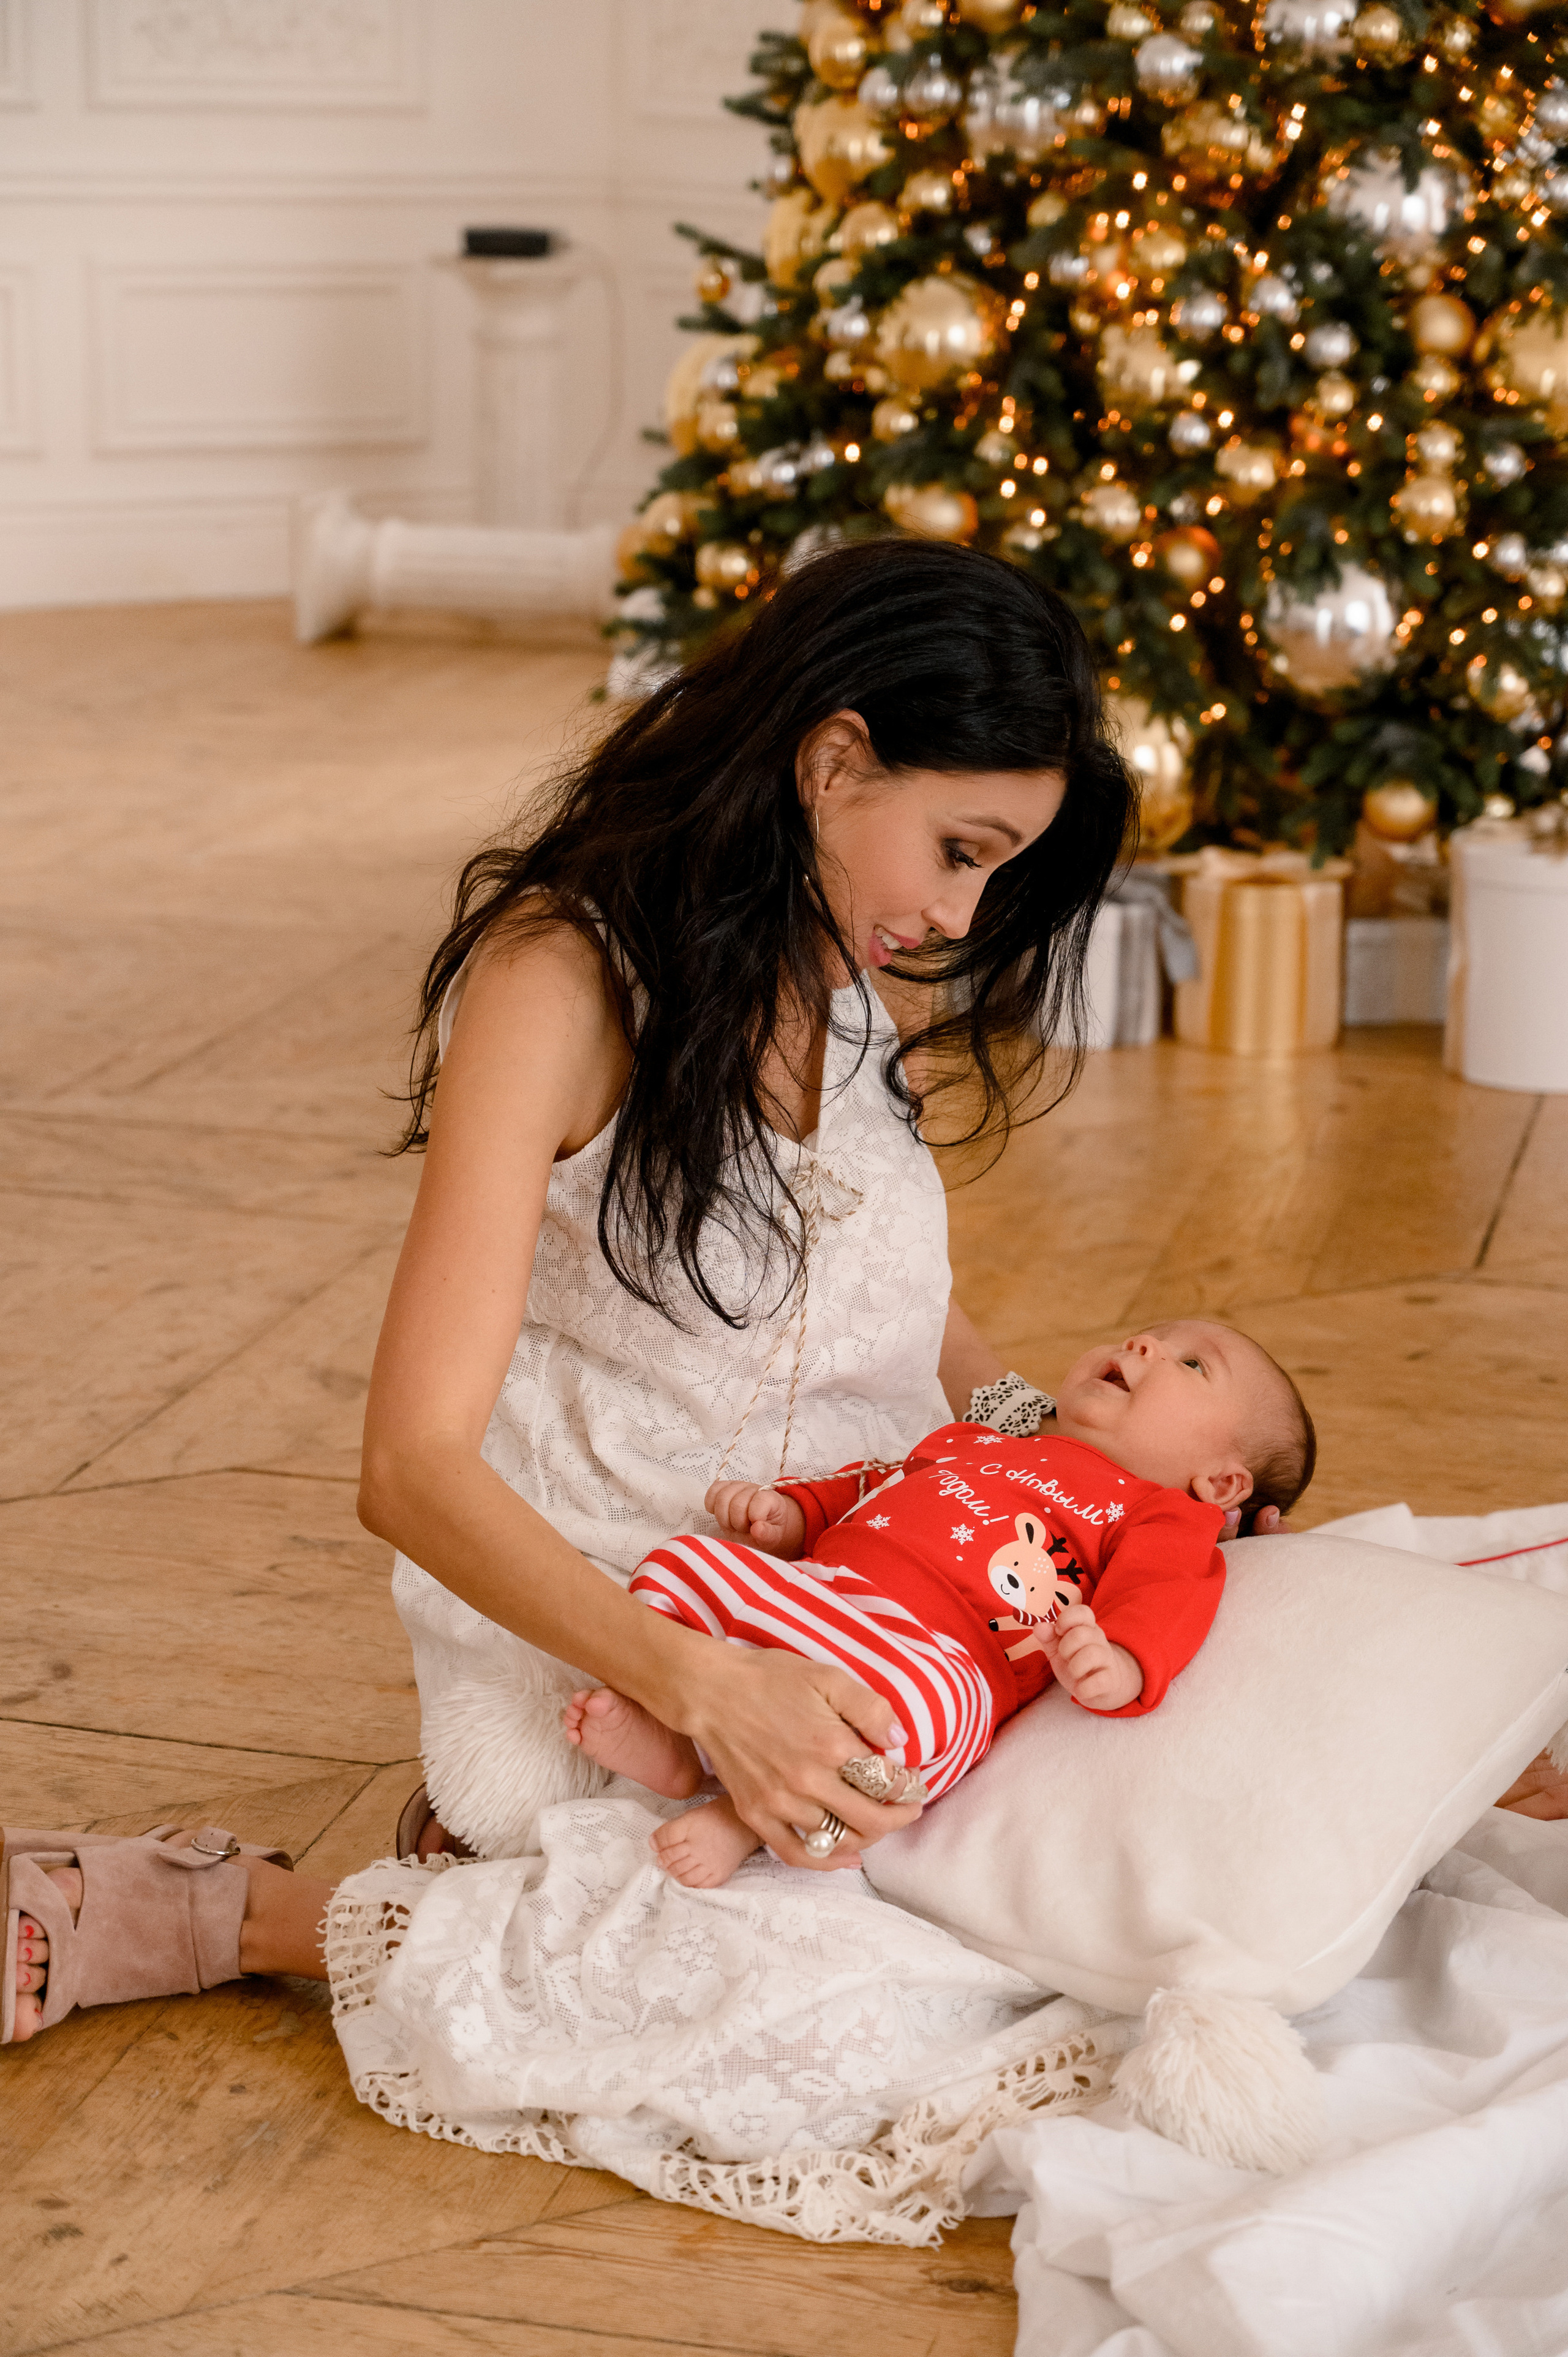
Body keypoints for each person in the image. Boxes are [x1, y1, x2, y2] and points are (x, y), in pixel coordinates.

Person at [563, 1317, 1315, 1886]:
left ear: (1220, 1484)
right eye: (1145, 1335)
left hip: (938, 1653)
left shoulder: (1160, 1512)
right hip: (824, 1591)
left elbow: (1167, 1590)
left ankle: (740, 1819)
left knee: (929, 1717)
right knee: (680, 1562)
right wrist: (791, 1516)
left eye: (1189, 1362)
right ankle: (675, 1737)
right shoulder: (988, 1436)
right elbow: (880, 1479)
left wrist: (1119, 1660)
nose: (1144, 1345)